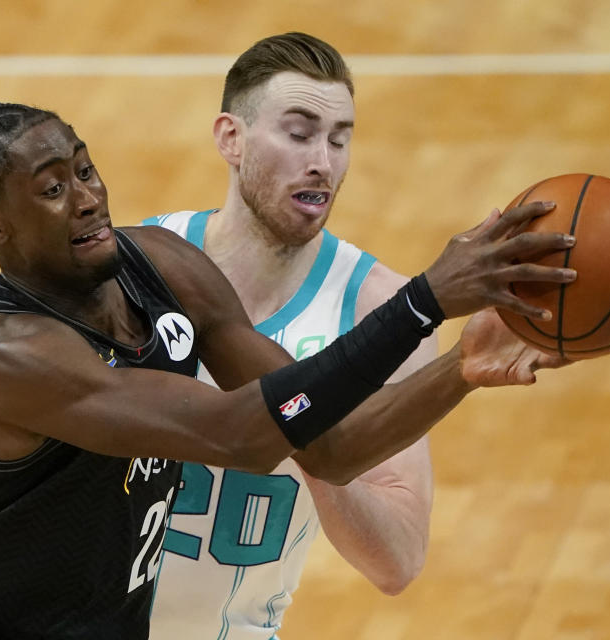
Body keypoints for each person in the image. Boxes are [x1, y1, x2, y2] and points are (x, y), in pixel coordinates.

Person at [0, 102, 575, 640]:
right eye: (50, 189)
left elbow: (330, 448)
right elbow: (241, 435)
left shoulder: (158, 263)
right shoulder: (2, 356)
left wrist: (459, 368)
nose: (86, 197)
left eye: (84, 169)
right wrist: (421, 303)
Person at [143, 32, 442, 639]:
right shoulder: (136, 266)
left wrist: (312, 436)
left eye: (340, 139)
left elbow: (397, 560)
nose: (323, 162)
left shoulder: (380, 310)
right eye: (299, 133)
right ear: (231, 137)